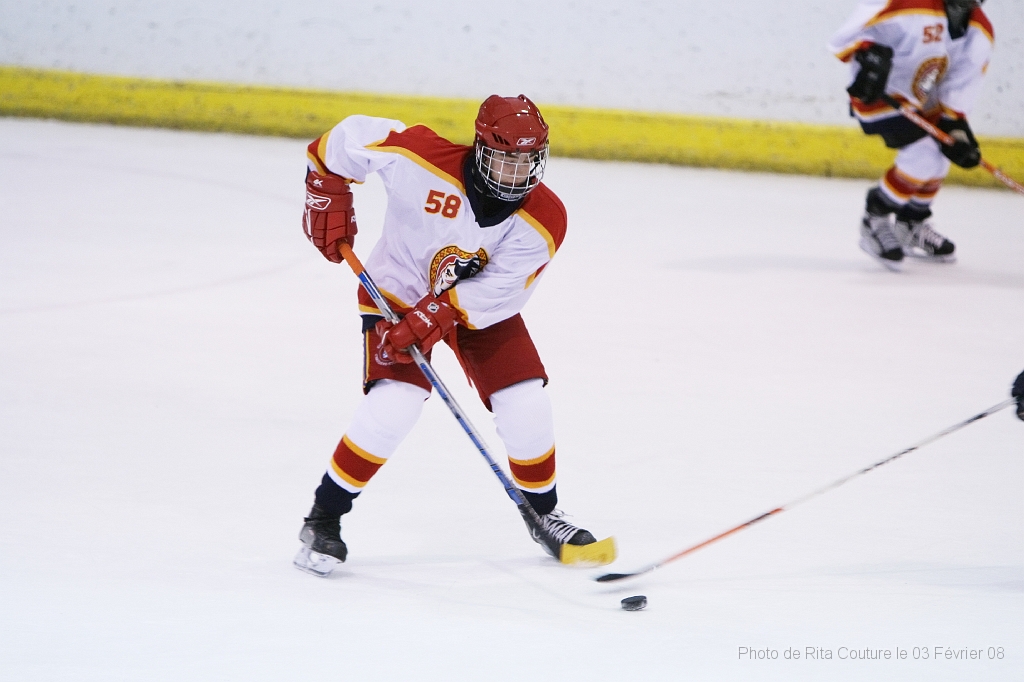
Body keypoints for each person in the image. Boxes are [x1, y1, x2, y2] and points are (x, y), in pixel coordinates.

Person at [294, 94, 600, 574]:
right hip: (396, 292)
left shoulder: (544, 218)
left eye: (528, 162)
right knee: (395, 403)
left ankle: (545, 514)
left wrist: (438, 313)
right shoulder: (421, 158)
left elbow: (500, 291)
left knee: (525, 399)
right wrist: (325, 188)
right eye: (506, 160)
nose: (516, 174)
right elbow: (346, 139)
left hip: (476, 309)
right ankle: (323, 520)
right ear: (480, 148)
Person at [829, 0, 994, 269]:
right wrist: (867, 55)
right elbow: (848, 36)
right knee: (924, 154)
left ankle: (911, 224)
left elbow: (959, 89)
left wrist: (957, 132)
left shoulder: (980, 31)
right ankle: (875, 217)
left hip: (924, 101)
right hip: (881, 94)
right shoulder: (908, 3)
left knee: (942, 154)